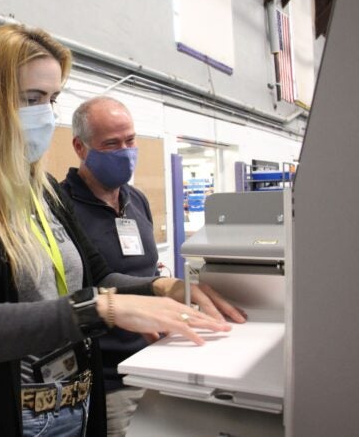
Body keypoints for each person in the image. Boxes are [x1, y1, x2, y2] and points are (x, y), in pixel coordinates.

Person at [0, 24, 231, 437]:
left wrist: (162, 288)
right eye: (32, 99)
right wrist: (98, 309)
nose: (47, 113)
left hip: (76, 410)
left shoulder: (42, 188)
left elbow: (99, 276)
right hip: (1, 418)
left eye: (52, 99)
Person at [60, 96, 247, 436]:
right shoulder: (63, 205)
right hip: (110, 376)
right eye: (111, 144)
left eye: (130, 140)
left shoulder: (136, 199)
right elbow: (78, 288)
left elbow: (146, 270)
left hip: (158, 359)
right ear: (80, 147)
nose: (125, 151)